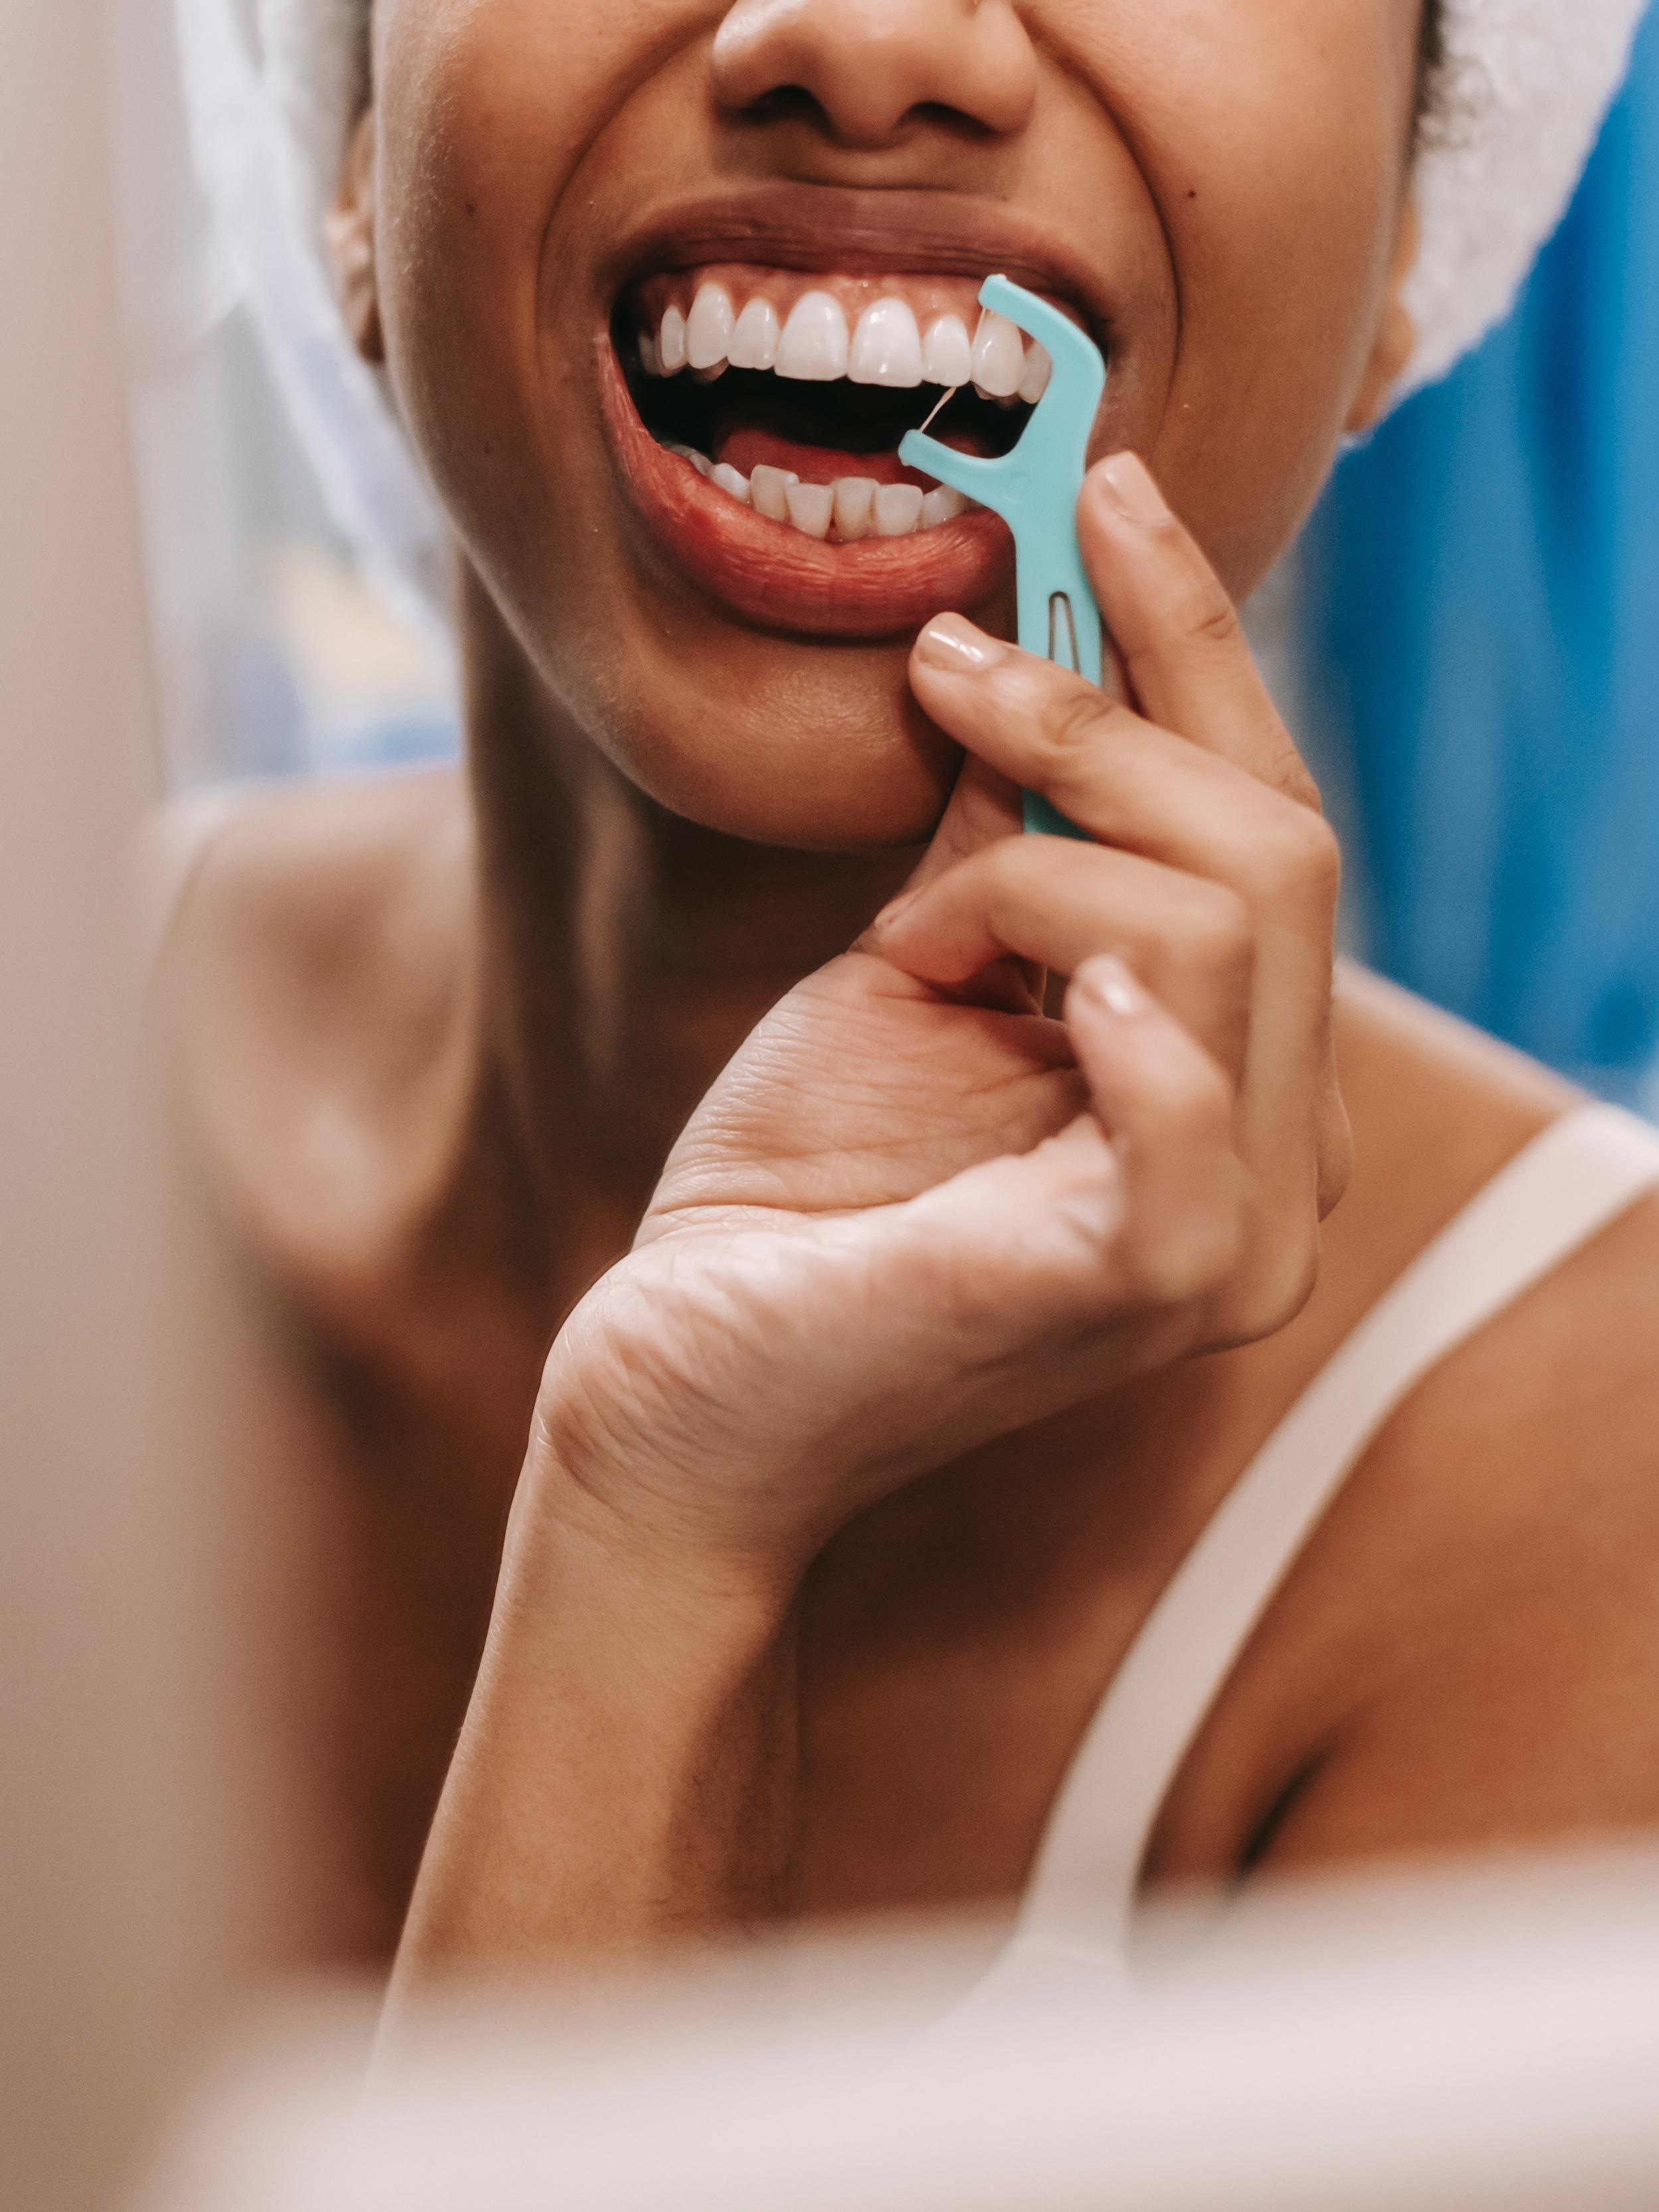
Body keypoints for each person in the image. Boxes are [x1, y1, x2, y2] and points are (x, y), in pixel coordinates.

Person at [162, 0, 1659, 1999]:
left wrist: (674, 1517)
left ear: (1415, 224)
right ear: (345, 134)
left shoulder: (1603, 1500)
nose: (863, 41)